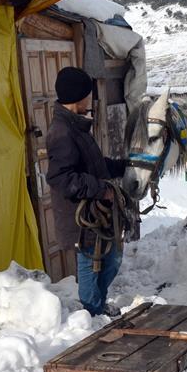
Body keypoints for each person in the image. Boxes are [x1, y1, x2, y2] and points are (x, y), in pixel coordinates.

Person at [46, 66, 128, 317]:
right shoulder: (61, 132)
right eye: (87, 95)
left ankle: (97, 304)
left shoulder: (76, 125)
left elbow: (92, 163)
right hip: (82, 217)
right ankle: (91, 313)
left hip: (96, 213)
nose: (90, 100)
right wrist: (101, 189)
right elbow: (60, 177)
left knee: (111, 259)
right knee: (91, 263)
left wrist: (123, 165)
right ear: (78, 97)